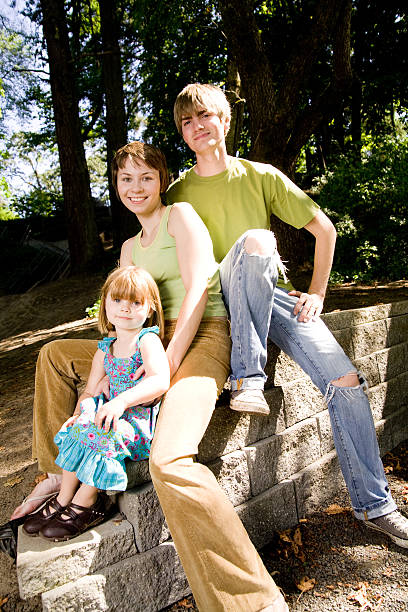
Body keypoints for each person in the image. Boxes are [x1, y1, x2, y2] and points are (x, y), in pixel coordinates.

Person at [13, 141, 288, 611]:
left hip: (202, 337)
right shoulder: (127, 248)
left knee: (169, 463)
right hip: (146, 345)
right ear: (116, 185)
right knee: (55, 355)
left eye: (145, 177)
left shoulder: (179, 217)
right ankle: (56, 473)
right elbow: (122, 318)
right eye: (125, 179)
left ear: (161, 180)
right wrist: (109, 374)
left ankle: (253, 602)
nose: (136, 187)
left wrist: (165, 365)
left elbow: (201, 291)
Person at [165, 82, 408, 549]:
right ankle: (247, 376)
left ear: (224, 121)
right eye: (186, 122)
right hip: (215, 303)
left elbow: (324, 229)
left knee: (347, 383)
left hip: (270, 293)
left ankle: (376, 507)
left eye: (204, 117)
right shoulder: (178, 193)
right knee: (257, 241)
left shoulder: (260, 175)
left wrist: (317, 292)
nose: (196, 127)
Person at [22, 265, 169, 542]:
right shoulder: (105, 350)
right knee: (79, 427)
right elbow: (90, 392)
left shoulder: (146, 341)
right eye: (117, 300)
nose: (125, 308)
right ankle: (64, 497)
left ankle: (88, 501)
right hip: (109, 413)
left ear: (150, 308)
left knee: (103, 433)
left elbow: (160, 380)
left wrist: (121, 401)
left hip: (136, 421)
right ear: (105, 304)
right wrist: (79, 413)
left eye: (135, 302)